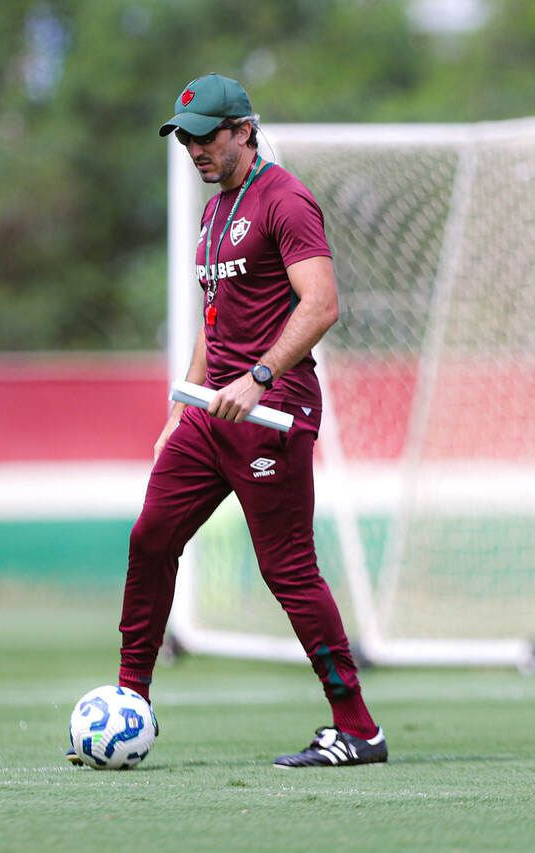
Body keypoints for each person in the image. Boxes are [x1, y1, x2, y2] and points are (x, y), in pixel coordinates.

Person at [84, 73, 386, 768]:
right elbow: (212, 322)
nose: (193, 148)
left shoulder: (287, 198)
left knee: (288, 570)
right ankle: (131, 702)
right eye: (185, 137)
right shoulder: (215, 211)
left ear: (244, 130)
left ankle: (359, 728)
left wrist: (258, 378)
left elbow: (321, 305)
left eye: (206, 135)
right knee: (150, 536)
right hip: (210, 415)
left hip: (272, 414)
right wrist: (178, 408)